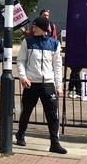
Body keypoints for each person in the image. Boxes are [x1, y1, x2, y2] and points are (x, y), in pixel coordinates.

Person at [16, 16, 66, 154]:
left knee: (52, 115)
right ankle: (20, 134)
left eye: (36, 26)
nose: (33, 28)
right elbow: (20, 61)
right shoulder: (27, 42)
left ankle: (55, 143)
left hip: (48, 84)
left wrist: (59, 85)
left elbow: (57, 66)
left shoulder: (54, 44)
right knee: (26, 111)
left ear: (43, 29)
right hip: (31, 83)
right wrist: (23, 77)